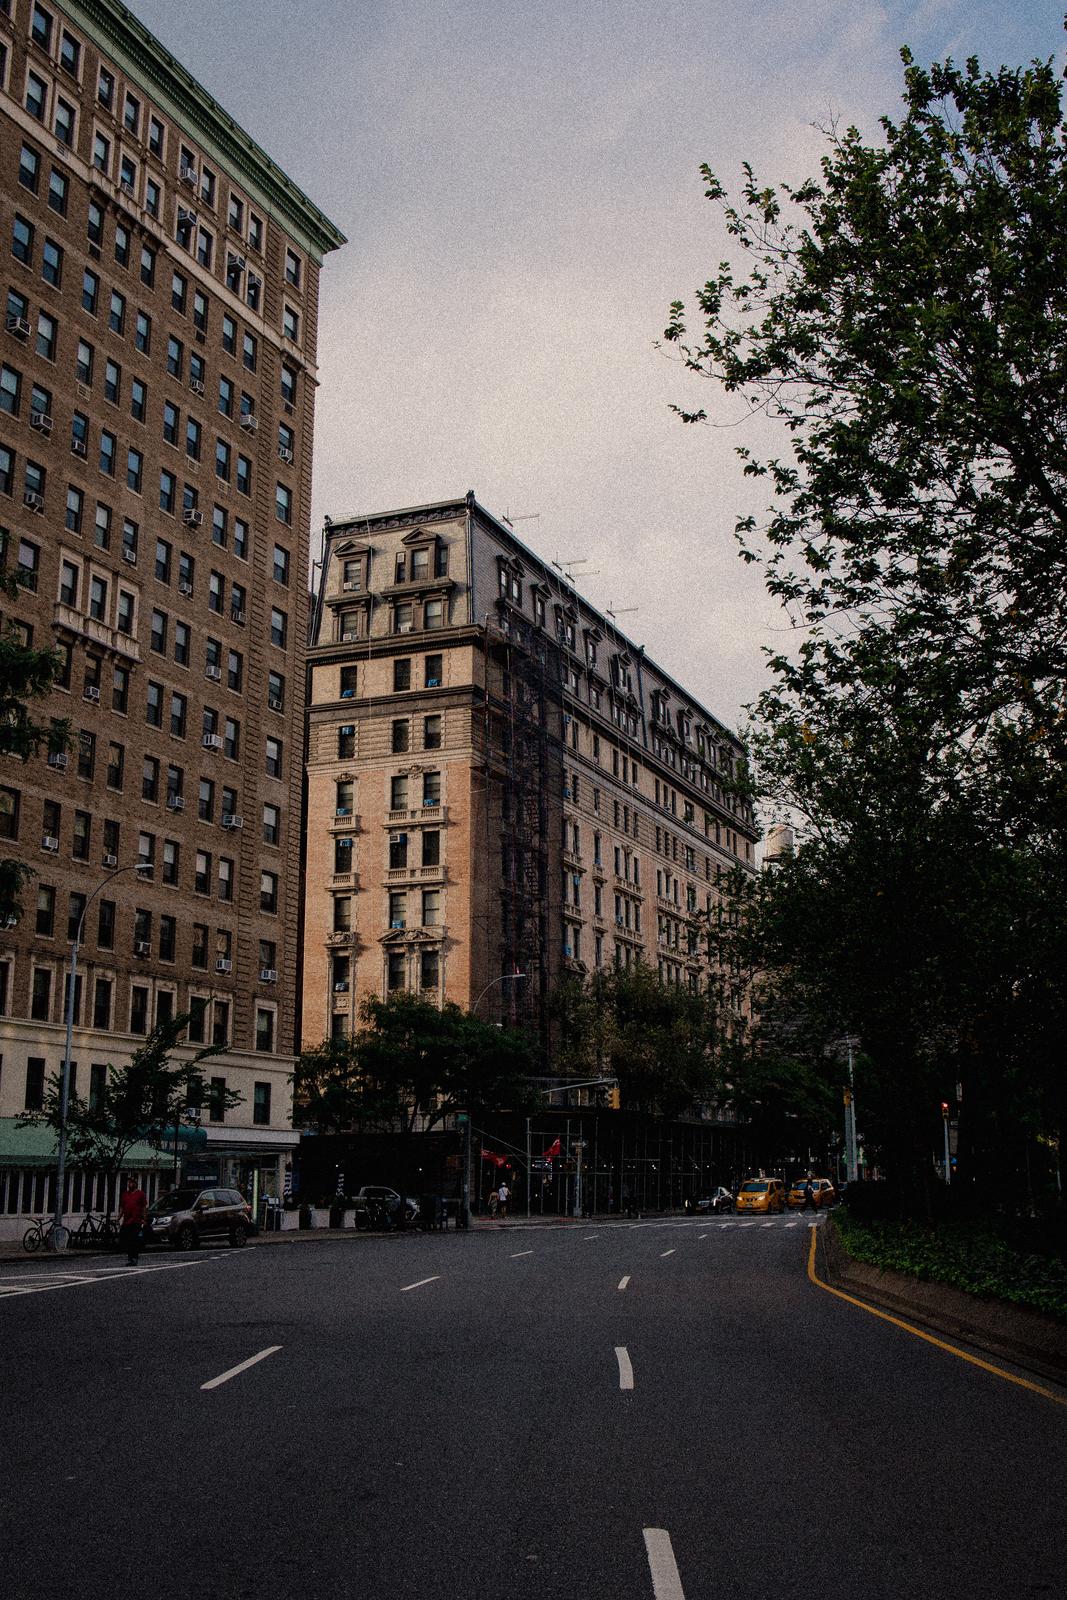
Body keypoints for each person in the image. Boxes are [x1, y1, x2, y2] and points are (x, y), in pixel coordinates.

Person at [118, 1176, 147, 1265]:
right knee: (127, 1240)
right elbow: (122, 1207)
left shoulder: (140, 1194)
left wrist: (144, 1218)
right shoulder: (125, 1195)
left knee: (134, 1240)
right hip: (127, 1221)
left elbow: (143, 1207)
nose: (129, 1184)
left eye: (131, 1182)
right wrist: (118, 1218)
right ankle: (130, 1257)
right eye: (129, 1183)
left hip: (136, 1221)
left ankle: (135, 1258)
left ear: (135, 1184)